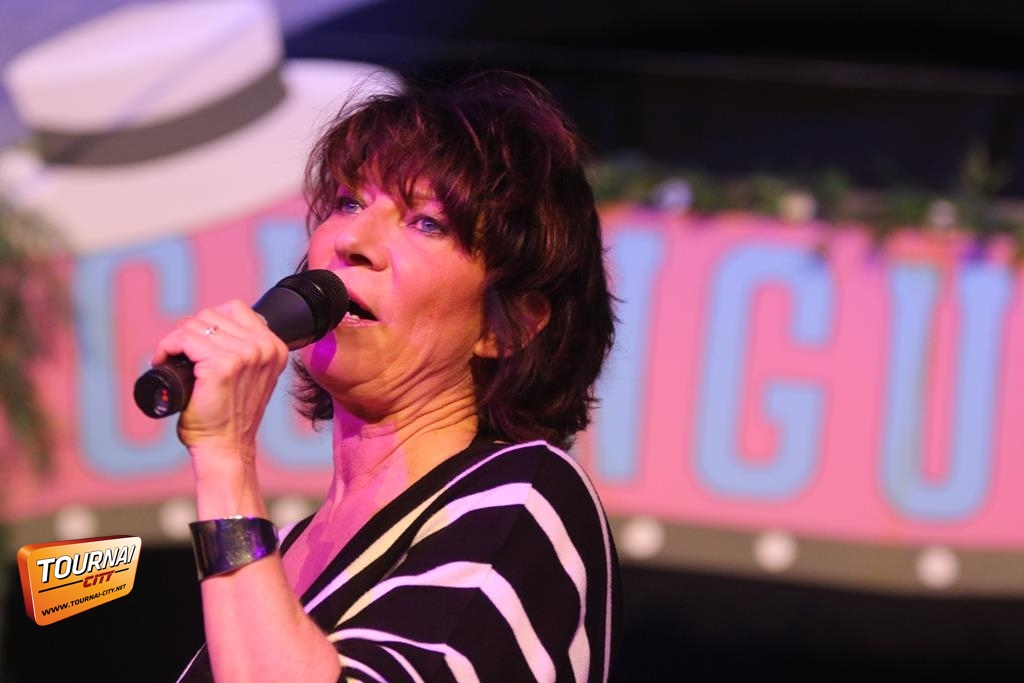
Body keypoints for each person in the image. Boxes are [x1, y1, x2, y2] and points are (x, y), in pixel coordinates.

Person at [164, 70, 621, 682]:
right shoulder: (281, 553)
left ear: (506, 326)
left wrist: (225, 460)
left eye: (426, 222)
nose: (352, 239)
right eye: (348, 202)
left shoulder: (522, 498)